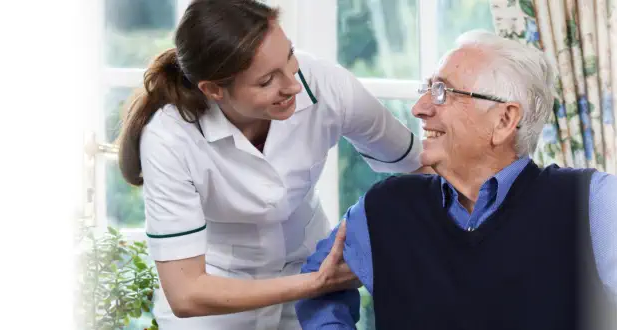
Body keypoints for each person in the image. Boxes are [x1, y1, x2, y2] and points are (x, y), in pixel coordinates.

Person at [296, 30, 617, 330]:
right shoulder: (384, 207)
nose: (419, 107)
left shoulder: (595, 203)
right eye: (427, 89)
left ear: (505, 120)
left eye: (443, 92)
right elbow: (317, 285)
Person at [114, 0, 426, 329]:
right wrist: (318, 282)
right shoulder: (170, 136)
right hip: (218, 299)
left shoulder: (325, 85)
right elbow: (186, 292)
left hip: (311, 277)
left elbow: (420, 166)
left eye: (289, 56)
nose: (292, 85)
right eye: (266, 82)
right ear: (214, 89)